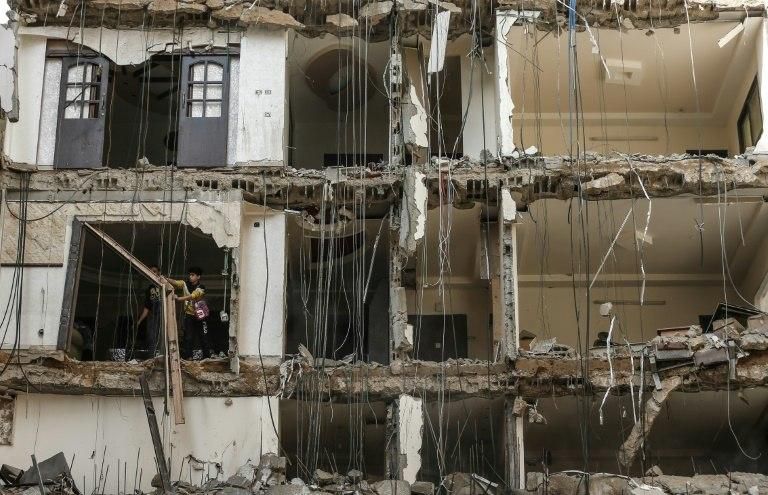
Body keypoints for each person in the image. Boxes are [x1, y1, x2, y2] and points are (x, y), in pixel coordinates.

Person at [165, 266, 210, 360]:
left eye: (193, 275)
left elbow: (193, 296)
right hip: (189, 315)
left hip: (200, 315)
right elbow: (176, 283)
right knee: (188, 337)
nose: (190, 277)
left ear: (198, 277)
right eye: (190, 275)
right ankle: (188, 357)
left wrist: (179, 298)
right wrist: (165, 278)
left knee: (203, 336)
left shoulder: (201, 287)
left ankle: (207, 357)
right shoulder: (185, 284)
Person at [136, 265, 163, 356]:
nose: (152, 273)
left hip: (163, 315)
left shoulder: (164, 284)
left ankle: (163, 357)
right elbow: (147, 308)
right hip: (153, 315)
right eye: (150, 272)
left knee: (163, 336)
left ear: (159, 273)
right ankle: (152, 357)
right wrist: (139, 321)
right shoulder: (149, 290)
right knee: (151, 336)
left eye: (154, 271)